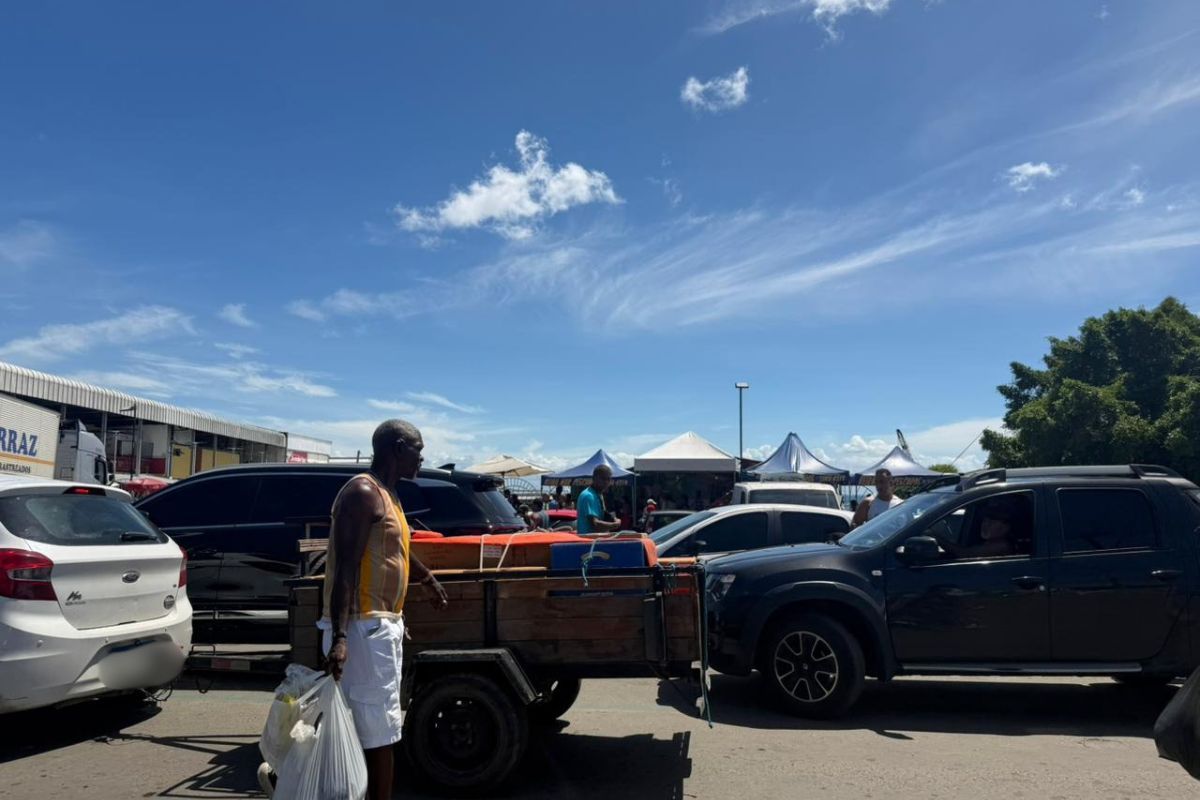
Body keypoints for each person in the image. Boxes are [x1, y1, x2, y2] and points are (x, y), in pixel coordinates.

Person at [321, 419, 449, 800]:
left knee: (377, 730)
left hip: (380, 627)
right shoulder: (362, 493)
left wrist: (426, 578)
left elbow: (396, 551)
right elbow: (346, 567)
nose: (421, 458)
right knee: (379, 737)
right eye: (418, 450)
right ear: (397, 448)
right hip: (361, 628)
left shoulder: (388, 494)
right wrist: (340, 637)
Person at [577, 465, 621, 534]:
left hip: (597, 538)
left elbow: (602, 514)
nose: (606, 482)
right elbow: (595, 524)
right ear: (594, 478)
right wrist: (614, 525)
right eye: (603, 479)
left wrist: (613, 519)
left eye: (608, 479)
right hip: (587, 539)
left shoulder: (598, 494)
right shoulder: (588, 496)